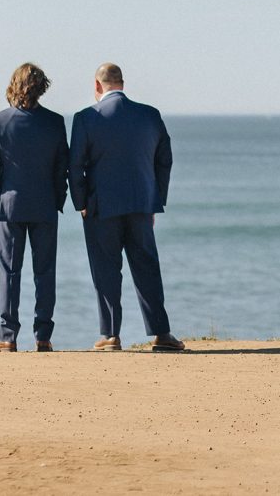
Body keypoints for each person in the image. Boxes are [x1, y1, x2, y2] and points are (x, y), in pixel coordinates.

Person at [69, 63, 184, 352]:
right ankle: (161, 333)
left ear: (97, 85)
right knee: (147, 267)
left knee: (106, 269)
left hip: (100, 207)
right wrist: (154, 201)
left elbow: (75, 167)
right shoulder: (149, 115)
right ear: (123, 83)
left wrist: (81, 203)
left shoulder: (85, 118)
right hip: (141, 205)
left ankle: (110, 335)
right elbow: (164, 160)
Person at [0, 63, 69, 353]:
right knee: (45, 271)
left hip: (10, 205)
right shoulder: (55, 122)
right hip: (44, 204)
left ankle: (8, 337)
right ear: (42, 87)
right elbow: (62, 169)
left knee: (9, 271)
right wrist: (58, 199)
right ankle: (43, 336)